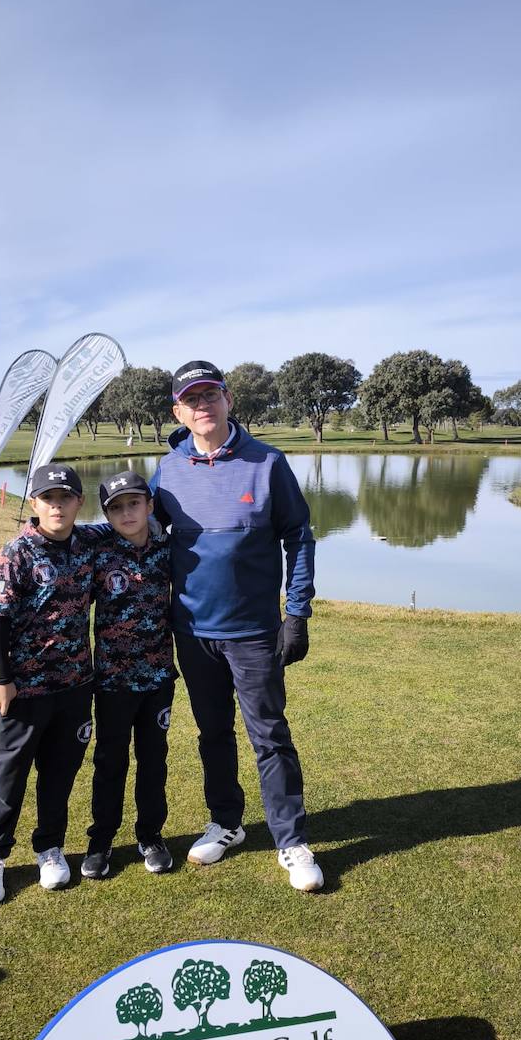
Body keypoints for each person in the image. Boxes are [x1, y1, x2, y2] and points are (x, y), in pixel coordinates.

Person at [150, 361, 323, 892]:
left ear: (228, 401)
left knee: (269, 735)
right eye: (191, 399)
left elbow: (299, 537)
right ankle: (227, 823)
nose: (203, 405)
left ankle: (290, 840)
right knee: (213, 733)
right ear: (179, 411)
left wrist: (296, 612)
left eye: (211, 395)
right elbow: (138, 533)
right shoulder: (167, 470)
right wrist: (42, 532)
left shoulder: (267, 462)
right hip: (193, 629)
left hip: (254, 630)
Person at [0, 464, 97, 906]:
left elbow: (134, 523)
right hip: (24, 689)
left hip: (76, 686)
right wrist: (1, 679)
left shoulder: (88, 546)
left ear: (80, 502)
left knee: (59, 775)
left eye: (65, 497)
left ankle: (49, 848)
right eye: (48, 498)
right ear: (34, 504)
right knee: (7, 775)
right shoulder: (15, 553)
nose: (57, 506)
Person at [80, 471, 177, 880]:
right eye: (116, 507)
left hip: (158, 677)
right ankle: (101, 840)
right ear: (106, 514)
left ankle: (150, 835)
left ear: (149, 505)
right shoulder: (98, 549)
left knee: (153, 759)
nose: (127, 513)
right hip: (114, 681)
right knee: (110, 760)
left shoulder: (169, 548)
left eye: (134, 503)